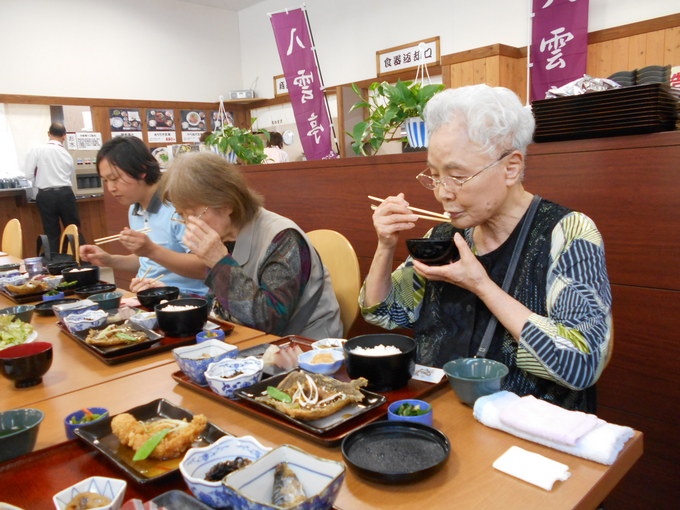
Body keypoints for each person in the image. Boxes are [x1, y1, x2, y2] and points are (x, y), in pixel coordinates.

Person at [361, 84, 612, 411]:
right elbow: (383, 314)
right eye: (434, 175)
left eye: (457, 176)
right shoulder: (446, 235)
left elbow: (582, 365)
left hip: (523, 429)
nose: (442, 193)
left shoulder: (568, 233)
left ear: (511, 167)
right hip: (438, 411)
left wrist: (481, 285)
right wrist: (385, 245)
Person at [159, 151, 342, 340]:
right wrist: (176, 300)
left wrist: (219, 262)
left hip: (304, 350)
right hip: (247, 340)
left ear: (226, 203)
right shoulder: (224, 237)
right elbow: (222, 306)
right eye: (181, 215)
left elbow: (269, 321)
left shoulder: (283, 238)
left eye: (193, 214)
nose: (189, 225)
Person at [79, 137, 207, 296]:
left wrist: (151, 250)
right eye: (105, 181)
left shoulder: (177, 206)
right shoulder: (135, 207)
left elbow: (204, 267)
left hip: (186, 299)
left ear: (141, 170)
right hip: (150, 296)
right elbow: (147, 261)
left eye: (115, 179)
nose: (111, 188)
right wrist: (109, 260)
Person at [23, 122, 83, 252]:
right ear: (64, 136)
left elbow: (28, 174)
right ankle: (80, 261)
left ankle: (55, 264)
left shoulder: (37, 150)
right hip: (66, 194)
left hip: (46, 195)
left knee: (51, 232)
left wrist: (35, 192)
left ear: (49, 134)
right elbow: (71, 176)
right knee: (73, 229)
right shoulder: (67, 154)